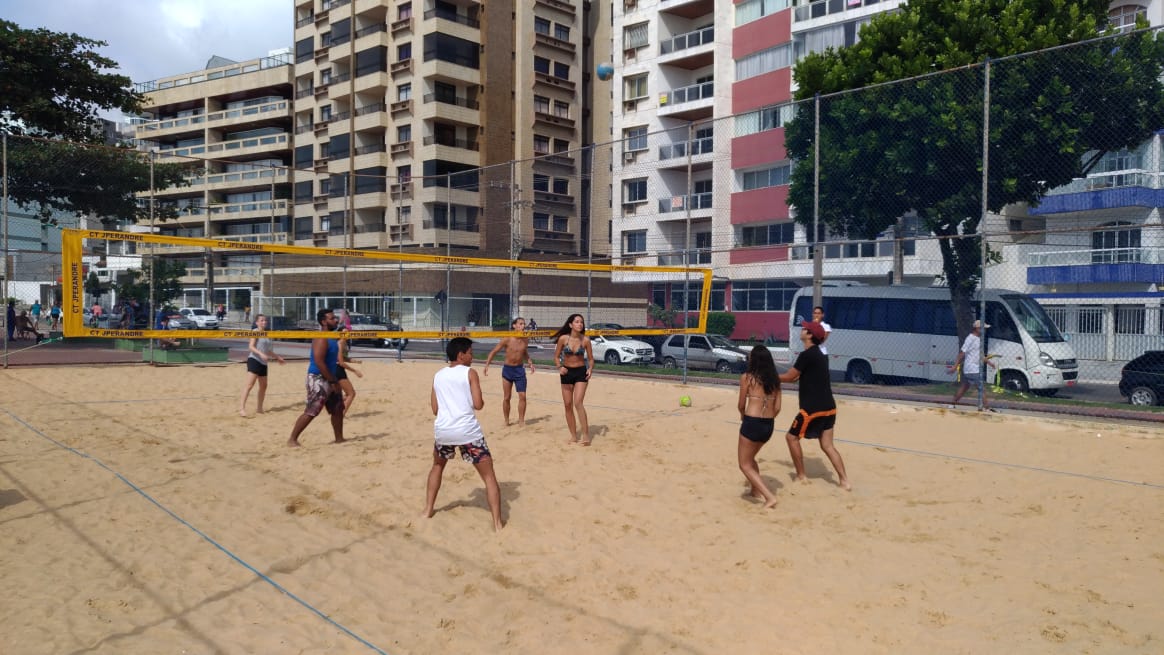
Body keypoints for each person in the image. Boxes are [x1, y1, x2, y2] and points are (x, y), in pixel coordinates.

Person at [422, 337, 504, 531]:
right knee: (489, 477)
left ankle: (427, 510)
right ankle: (497, 523)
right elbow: (478, 404)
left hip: (444, 431)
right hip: (467, 431)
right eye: (470, 353)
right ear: (461, 355)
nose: (472, 356)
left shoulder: (438, 375)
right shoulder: (469, 373)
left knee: (437, 467)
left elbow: (435, 409)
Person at [779, 321, 851, 491]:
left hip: (812, 409)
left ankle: (801, 476)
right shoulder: (820, 354)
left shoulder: (807, 355)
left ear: (810, 335)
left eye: (805, 329)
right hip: (829, 406)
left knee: (791, 438)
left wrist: (769, 377)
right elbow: (797, 377)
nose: (802, 330)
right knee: (827, 445)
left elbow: (790, 377)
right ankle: (844, 481)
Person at [287, 308, 345, 447]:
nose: (335, 320)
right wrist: (333, 381)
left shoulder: (331, 337)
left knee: (337, 409)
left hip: (329, 376)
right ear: (324, 322)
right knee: (312, 411)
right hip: (317, 378)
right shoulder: (321, 338)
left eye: (335, 318)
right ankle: (292, 439)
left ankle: (339, 439)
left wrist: (334, 380)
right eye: (332, 318)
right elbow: (319, 362)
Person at [737, 346, 783, 508]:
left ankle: (769, 497)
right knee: (750, 459)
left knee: (744, 464)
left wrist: (743, 416)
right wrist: (767, 419)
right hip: (768, 425)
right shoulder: (775, 380)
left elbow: (741, 404)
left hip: (752, 422)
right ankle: (755, 490)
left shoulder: (747, 378)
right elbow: (777, 408)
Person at [482, 317, 536, 426]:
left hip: (519, 370)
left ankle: (521, 420)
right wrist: (487, 365)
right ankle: (506, 420)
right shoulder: (507, 338)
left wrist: (530, 362)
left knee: (522, 396)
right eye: (520, 324)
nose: (522, 326)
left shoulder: (525, 339)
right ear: (514, 326)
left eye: (523, 324)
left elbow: (524, 352)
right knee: (507, 397)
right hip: (508, 370)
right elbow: (494, 351)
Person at [551, 313, 595, 445]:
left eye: (581, 322)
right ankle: (573, 436)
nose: (580, 324)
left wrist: (590, 369)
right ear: (570, 325)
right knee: (567, 405)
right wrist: (559, 367)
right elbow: (556, 356)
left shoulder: (585, 340)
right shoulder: (563, 339)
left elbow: (591, 359)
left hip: (581, 372)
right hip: (566, 372)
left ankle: (586, 436)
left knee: (578, 402)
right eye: (577, 322)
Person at [239, 314, 285, 417]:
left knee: (264, 386)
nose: (264, 322)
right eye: (262, 320)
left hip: (263, 362)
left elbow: (268, 350)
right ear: (257, 322)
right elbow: (251, 347)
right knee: (249, 385)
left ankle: (259, 408)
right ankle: (242, 408)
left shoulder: (267, 334)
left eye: (265, 320)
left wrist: (278, 357)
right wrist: (261, 354)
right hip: (254, 360)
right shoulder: (255, 332)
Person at [948, 319, 998, 411]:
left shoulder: (978, 339)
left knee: (964, 387)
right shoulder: (970, 338)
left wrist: (990, 363)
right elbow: (962, 353)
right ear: (977, 328)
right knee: (981, 388)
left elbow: (980, 355)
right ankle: (987, 408)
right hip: (972, 369)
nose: (985, 330)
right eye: (983, 328)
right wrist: (955, 366)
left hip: (970, 369)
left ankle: (952, 404)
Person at [334, 326, 363, 415]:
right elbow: (341, 362)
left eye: (348, 332)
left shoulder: (344, 343)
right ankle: (340, 415)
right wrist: (354, 371)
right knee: (351, 394)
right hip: (337, 369)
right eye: (344, 332)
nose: (347, 334)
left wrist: (354, 361)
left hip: (338, 369)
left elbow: (343, 358)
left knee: (347, 394)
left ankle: (335, 406)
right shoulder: (339, 344)